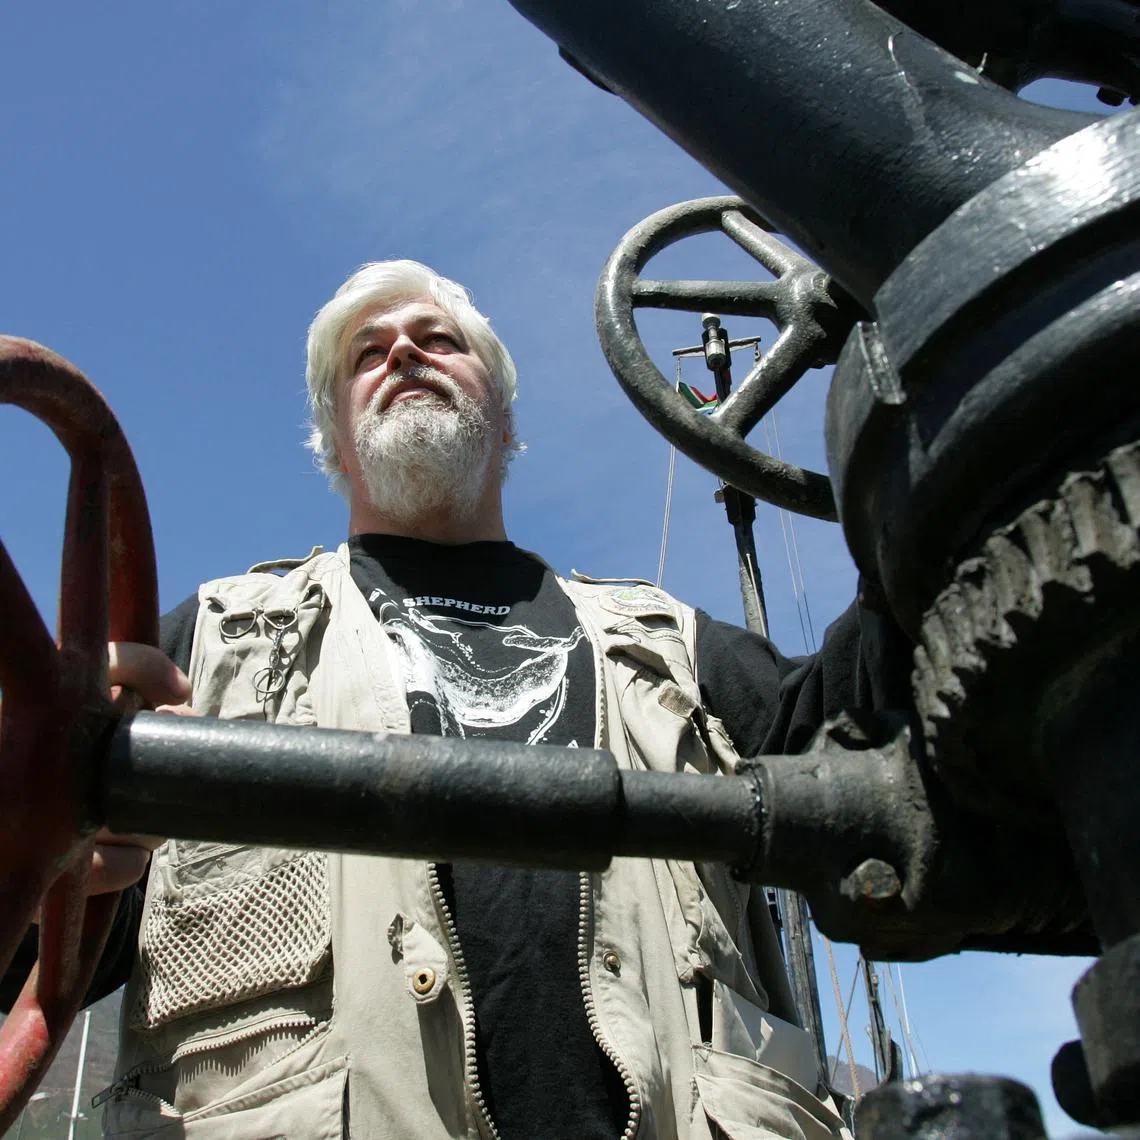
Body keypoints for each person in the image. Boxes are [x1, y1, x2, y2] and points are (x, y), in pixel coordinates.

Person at [2, 260, 912, 1139]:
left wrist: (918, 479)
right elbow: (43, 930)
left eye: (438, 340)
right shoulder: (212, 642)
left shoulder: (668, 643)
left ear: (505, 414)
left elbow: (864, 740)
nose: (402, 354)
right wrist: (54, 859)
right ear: (334, 435)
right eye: (368, 353)